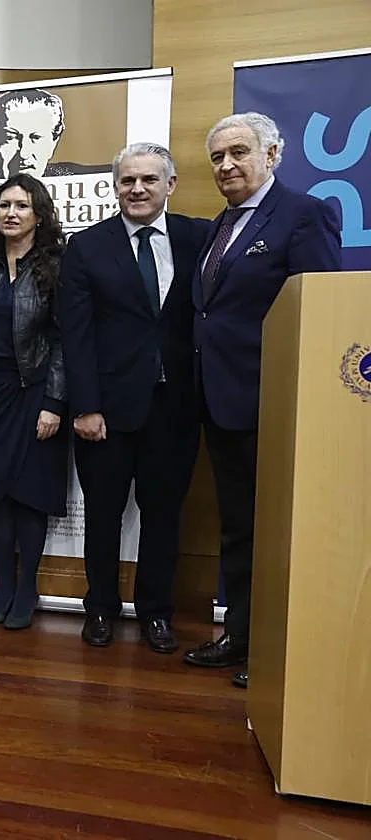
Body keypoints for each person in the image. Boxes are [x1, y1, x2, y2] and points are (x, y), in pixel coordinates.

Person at [185, 113, 341, 689]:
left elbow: (317, 316)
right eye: (218, 157)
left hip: (276, 406)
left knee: (281, 531)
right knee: (239, 528)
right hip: (222, 405)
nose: (227, 166)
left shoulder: (304, 215)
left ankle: (278, 651)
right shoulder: (218, 228)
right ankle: (242, 636)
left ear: (272, 153)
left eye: (239, 153)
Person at [60, 143, 210, 652]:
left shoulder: (200, 237)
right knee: (102, 516)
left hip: (177, 409)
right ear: (115, 186)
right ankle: (100, 607)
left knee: (164, 517)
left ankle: (155, 613)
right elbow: (74, 335)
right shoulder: (87, 247)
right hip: (105, 410)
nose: (137, 189)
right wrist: (84, 406)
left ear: (170, 185)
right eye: (127, 181)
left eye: (149, 180)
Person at [0, 173, 68, 630]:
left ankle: (26, 587)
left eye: (22, 206)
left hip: (35, 390)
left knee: (29, 495)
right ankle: (2, 586)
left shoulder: (56, 265)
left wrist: (54, 400)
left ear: (39, 214)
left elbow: (64, 340)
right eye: (4, 205)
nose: (11, 213)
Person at [0, 89, 110, 180]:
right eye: (11, 138)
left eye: (35, 138)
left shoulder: (70, 178)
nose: (24, 153)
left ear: (54, 141)